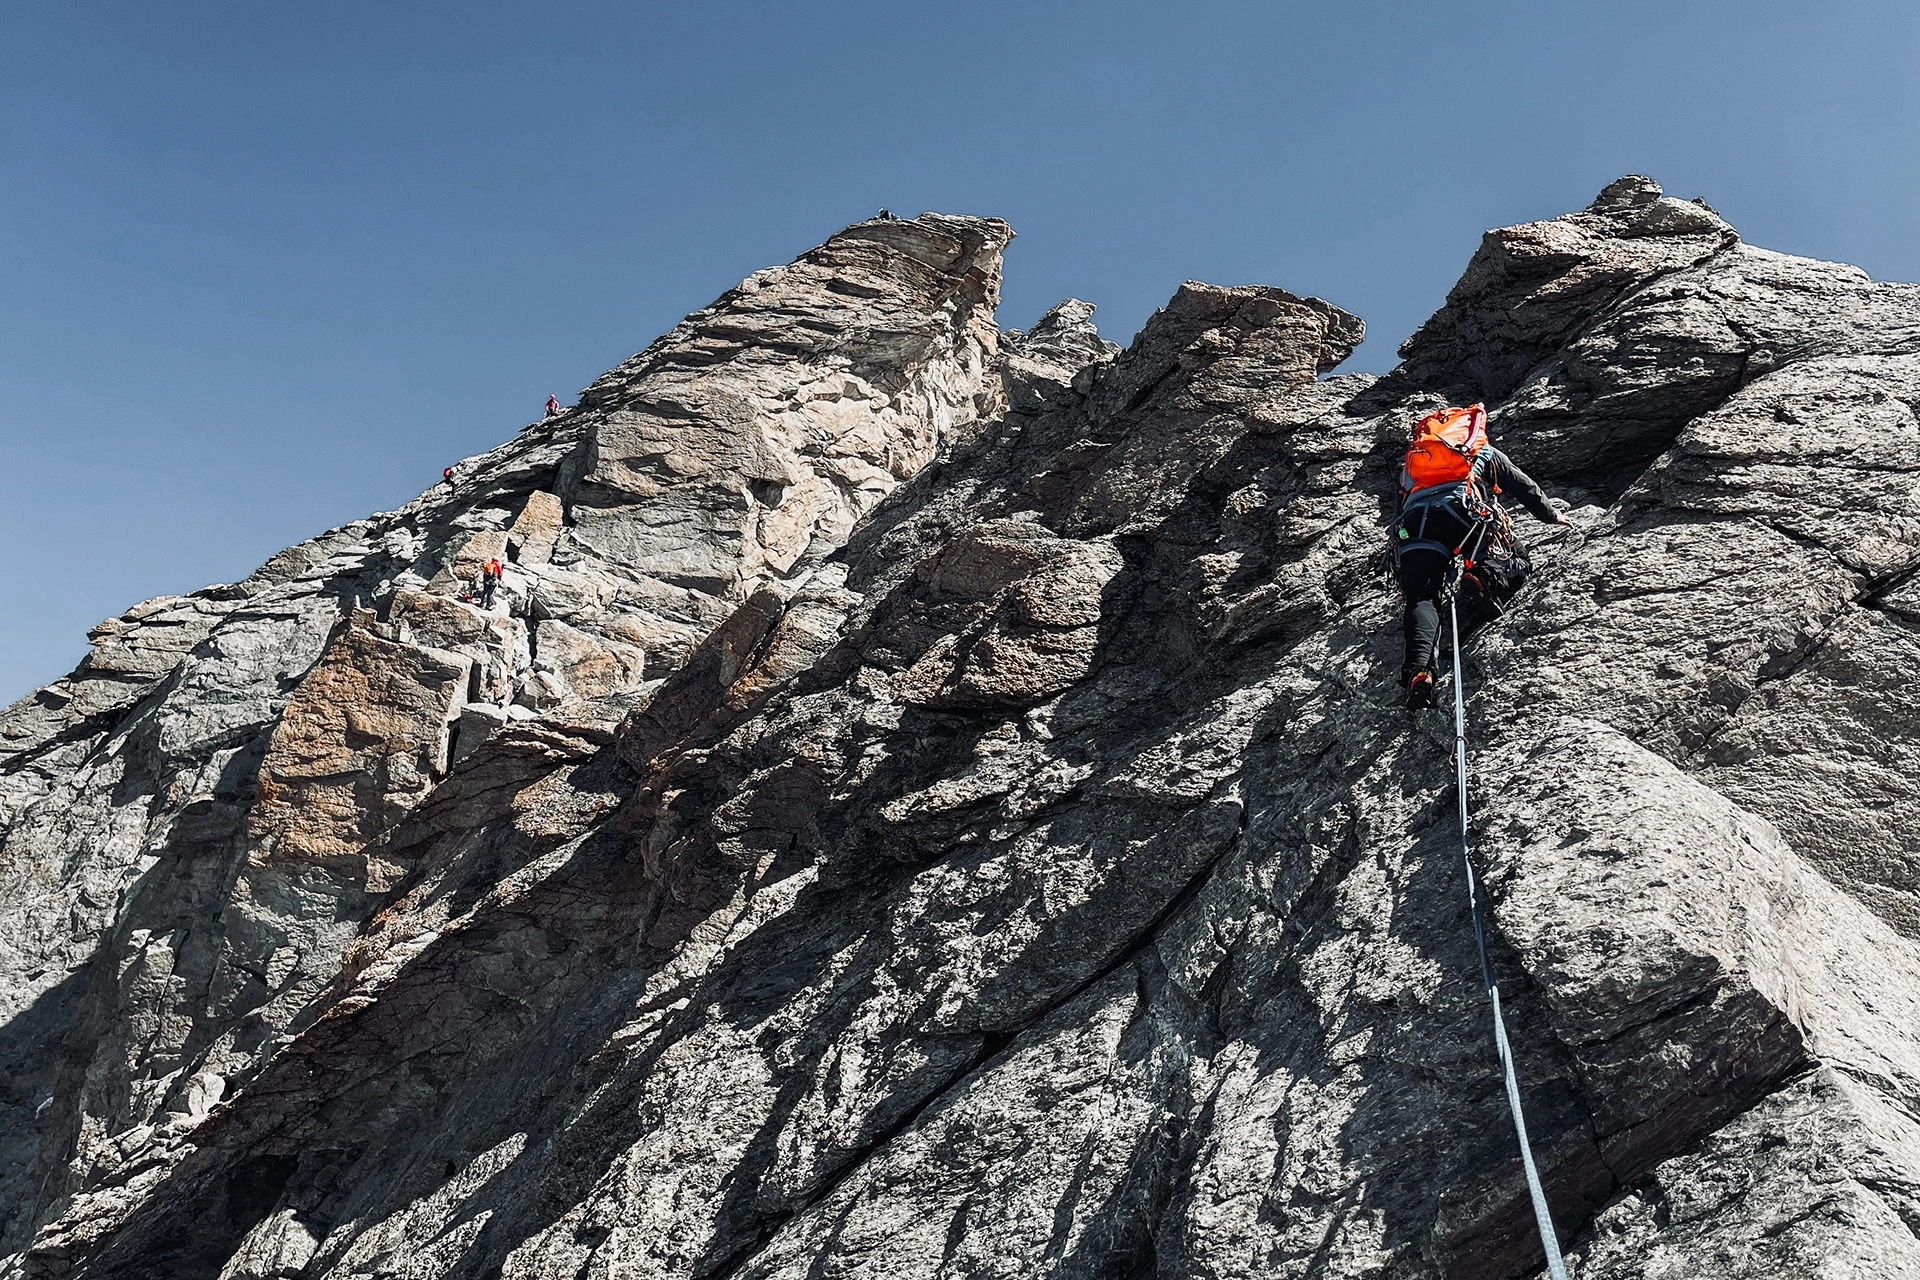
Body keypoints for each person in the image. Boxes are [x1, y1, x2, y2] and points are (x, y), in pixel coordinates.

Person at [1392, 404, 1566, 709]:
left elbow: (1399, 511)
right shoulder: (1482, 452)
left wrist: (1405, 570)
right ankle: (1483, 575)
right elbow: (1523, 487)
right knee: (1516, 557)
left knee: (1423, 597)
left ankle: (1420, 670)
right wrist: (1551, 516)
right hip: (1463, 509)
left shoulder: (1412, 465)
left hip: (1415, 525)